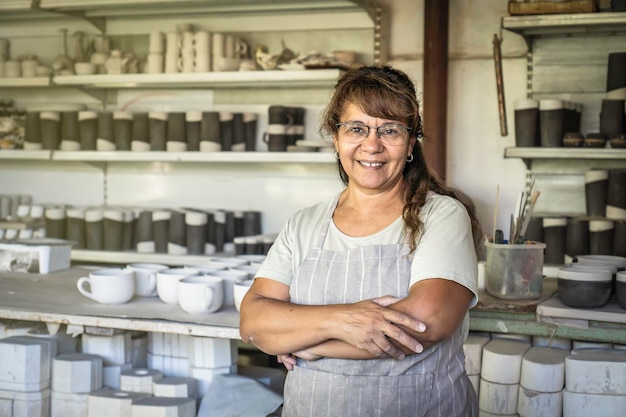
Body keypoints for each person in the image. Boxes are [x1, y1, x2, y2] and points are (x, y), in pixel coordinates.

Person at [239, 65, 481, 416]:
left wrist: (306, 340)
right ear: (336, 139)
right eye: (356, 128)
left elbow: (426, 323)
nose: (372, 144)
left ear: (411, 142)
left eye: (390, 130)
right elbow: (254, 322)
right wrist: (343, 321)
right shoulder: (305, 223)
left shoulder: (441, 215)